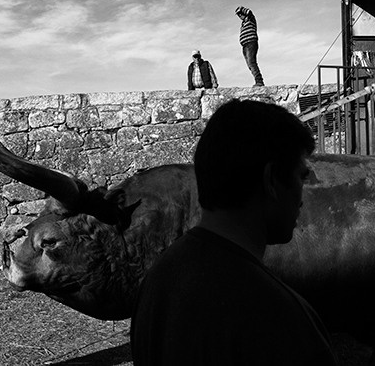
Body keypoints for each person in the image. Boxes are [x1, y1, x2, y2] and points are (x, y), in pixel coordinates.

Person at [131, 99, 336, 366]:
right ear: (272, 179)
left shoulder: (157, 282)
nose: (302, 194)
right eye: (301, 176)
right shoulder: (278, 316)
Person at [235, 5, 264, 86]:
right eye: (238, 15)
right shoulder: (243, 23)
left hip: (251, 43)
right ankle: (257, 80)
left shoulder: (251, 19)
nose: (240, 16)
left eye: (240, 14)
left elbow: (249, 12)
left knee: (252, 62)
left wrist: (240, 9)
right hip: (244, 45)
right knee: (249, 64)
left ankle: (259, 81)